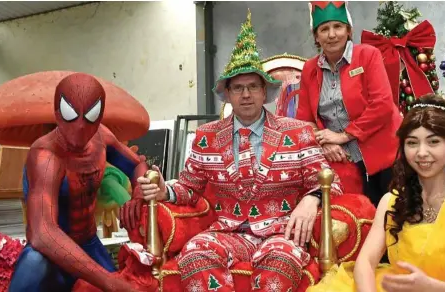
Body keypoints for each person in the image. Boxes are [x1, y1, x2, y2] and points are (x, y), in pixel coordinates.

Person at [125, 10, 343, 292]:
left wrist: (311, 200)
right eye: (237, 88)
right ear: (227, 94)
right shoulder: (207, 136)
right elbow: (191, 187)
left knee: (278, 265)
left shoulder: (297, 132)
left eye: (253, 86)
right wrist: (163, 191)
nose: (246, 95)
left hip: (281, 233)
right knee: (194, 255)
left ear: (265, 92)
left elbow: (330, 184)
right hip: (227, 231)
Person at [306, 94, 445, 292]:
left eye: (433, 142)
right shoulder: (391, 201)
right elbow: (365, 263)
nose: (422, 153)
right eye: (412, 143)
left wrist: (427, 286)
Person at [8, 73, 144, 292]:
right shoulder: (46, 156)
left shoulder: (101, 137)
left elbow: (138, 165)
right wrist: (107, 281)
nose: (80, 126)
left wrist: (138, 194)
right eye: (71, 114)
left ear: (100, 117)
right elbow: (43, 234)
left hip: (88, 242)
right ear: (57, 113)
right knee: (33, 266)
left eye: (90, 115)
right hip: (47, 254)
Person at [296, 1, 402, 207]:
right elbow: (304, 121)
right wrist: (325, 142)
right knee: (357, 222)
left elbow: (382, 105)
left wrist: (343, 135)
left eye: (338, 26)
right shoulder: (309, 69)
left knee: (392, 218)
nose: (332, 34)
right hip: (342, 164)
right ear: (316, 36)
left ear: (348, 30)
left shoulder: (368, 55)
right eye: (324, 29)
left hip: (385, 155)